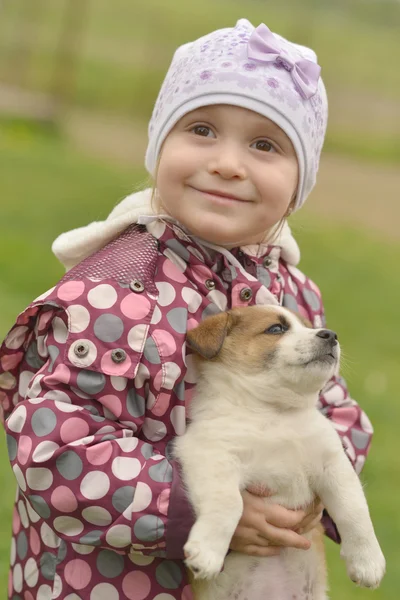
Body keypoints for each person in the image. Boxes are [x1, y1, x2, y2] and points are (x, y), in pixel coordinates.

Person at [0, 18, 373, 600]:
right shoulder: (111, 294)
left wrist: (315, 484)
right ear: (158, 146)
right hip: (110, 582)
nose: (227, 163)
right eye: (201, 129)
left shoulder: (293, 293)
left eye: (265, 145)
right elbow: (57, 449)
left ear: (300, 182)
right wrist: (194, 506)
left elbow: (338, 412)